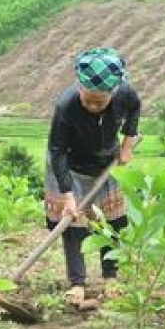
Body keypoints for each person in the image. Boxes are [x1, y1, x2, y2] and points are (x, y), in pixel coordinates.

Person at [45, 47, 141, 309]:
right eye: (88, 101)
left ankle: (111, 277)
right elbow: (57, 151)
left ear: (113, 92)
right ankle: (77, 283)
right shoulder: (66, 105)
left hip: (104, 162)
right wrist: (68, 196)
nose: (93, 107)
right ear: (79, 89)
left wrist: (128, 144)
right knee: (73, 223)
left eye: (100, 102)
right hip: (69, 165)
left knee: (111, 222)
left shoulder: (126, 93)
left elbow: (134, 111)